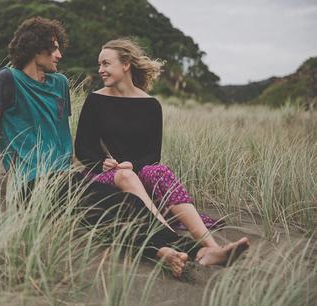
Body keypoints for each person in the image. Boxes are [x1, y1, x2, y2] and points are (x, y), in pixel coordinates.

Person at [75, 38, 250, 273]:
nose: (100, 70)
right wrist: (102, 163)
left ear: (125, 64)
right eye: (100, 64)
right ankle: (176, 242)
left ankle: (212, 247)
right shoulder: (96, 100)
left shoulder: (150, 105)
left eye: (106, 63)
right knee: (126, 176)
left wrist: (131, 163)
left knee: (159, 170)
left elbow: (151, 155)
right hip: (103, 178)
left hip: (139, 175)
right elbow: (83, 149)